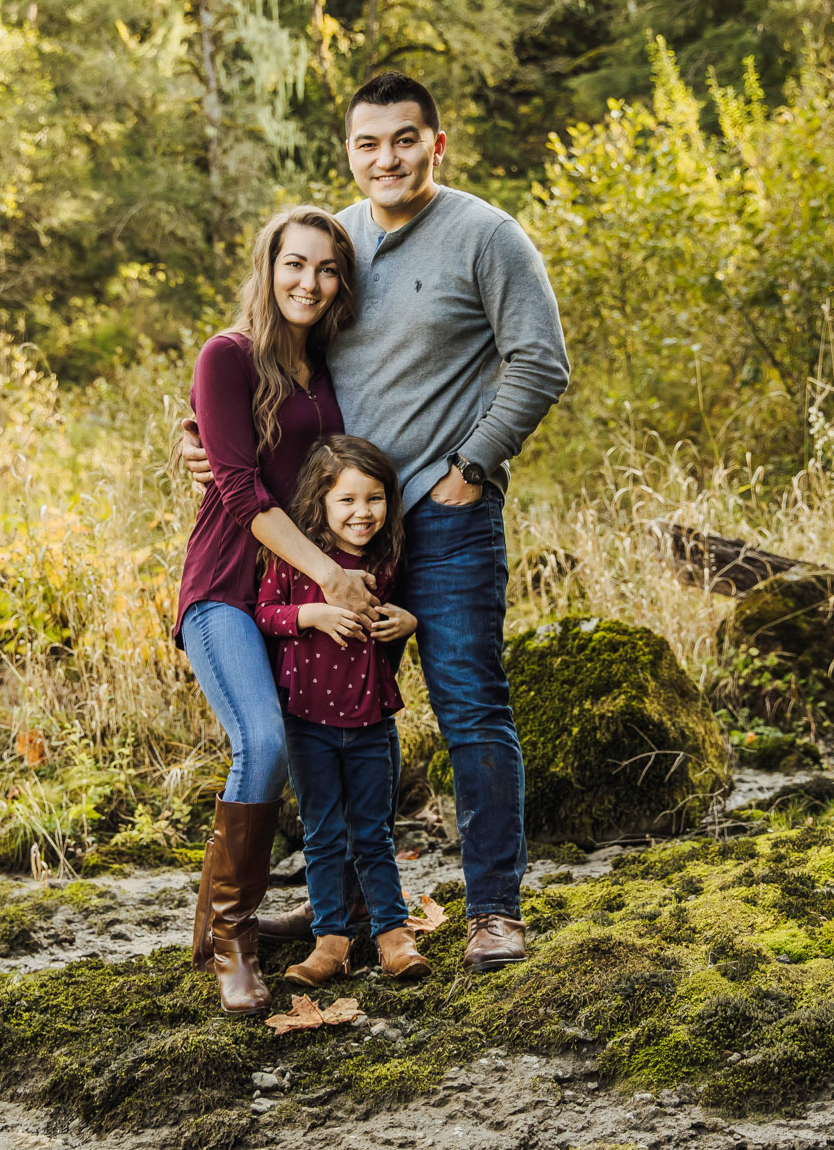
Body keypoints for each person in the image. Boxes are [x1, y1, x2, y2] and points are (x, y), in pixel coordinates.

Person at [184, 71, 570, 973]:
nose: (386, 157)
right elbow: (264, 350)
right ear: (349, 153)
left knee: (469, 704)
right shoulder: (339, 244)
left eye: (405, 139)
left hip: (443, 519)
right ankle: (343, 916)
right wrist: (195, 428)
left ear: (437, 144)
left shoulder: (486, 236)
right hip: (333, 541)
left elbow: (540, 362)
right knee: (328, 720)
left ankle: (494, 913)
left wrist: (470, 470)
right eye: (368, 143)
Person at [176, 205, 379, 1015]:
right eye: (295, 264)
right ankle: (233, 939)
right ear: (268, 268)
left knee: (323, 748)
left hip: (295, 598)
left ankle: (335, 911)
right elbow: (239, 490)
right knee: (259, 742)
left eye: (327, 269)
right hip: (228, 587)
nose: (310, 281)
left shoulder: (326, 372)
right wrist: (332, 574)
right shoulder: (228, 357)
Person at [254, 435, 433, 986]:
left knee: (374, 833)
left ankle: (392, 935)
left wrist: (409, 623)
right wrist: (312, 615)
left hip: (371, 723)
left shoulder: (387, 559)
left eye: (374, 499)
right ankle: (330, 942)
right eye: (348, 500)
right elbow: (263, 614)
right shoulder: (294, 559)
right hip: (308, 723)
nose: (362, 512)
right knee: (323, 835)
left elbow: (399, 617)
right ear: (321, 503)